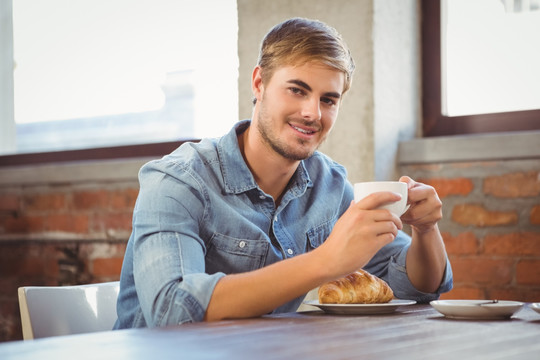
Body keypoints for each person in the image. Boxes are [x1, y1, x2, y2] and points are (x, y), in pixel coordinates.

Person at [114, 17, 452, 328]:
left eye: (328, 100)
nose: (312, 113)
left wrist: (426, 230)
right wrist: (325, 261)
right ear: (259, 83)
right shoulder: (177, 181)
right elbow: (172, 310)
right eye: (297, 90)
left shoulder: (330, 186)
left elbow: (413, 286)